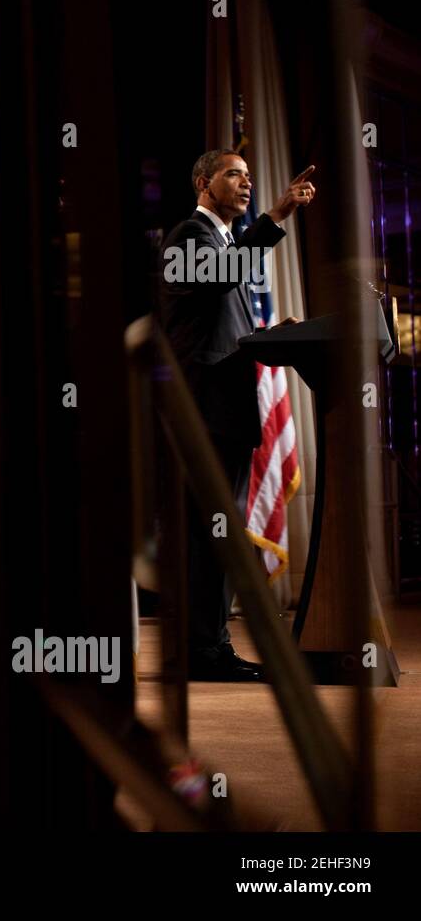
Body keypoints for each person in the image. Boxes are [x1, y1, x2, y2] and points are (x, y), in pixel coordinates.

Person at [158, 150, 315, 682]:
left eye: (250, 176)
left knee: (221, 532)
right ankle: (203, 653)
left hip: (225, 407)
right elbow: (212, 282)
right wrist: (275, 217)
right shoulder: (186, 237)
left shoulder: (224, 244)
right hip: (204, 410)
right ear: (203, 182)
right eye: (234, 174)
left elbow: (224, 329)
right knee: (209, 532)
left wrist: (275, 337)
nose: (246, 183)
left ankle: (210, 646)